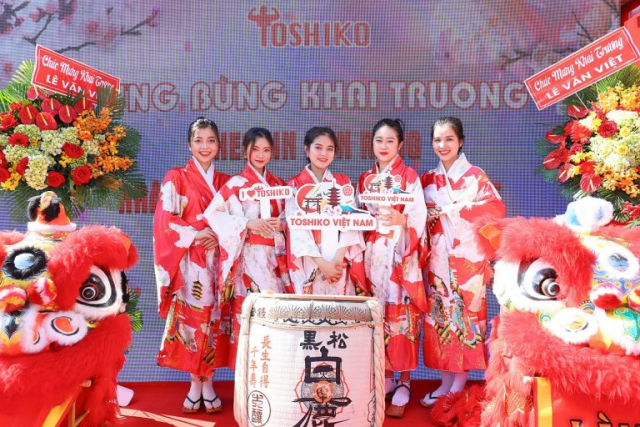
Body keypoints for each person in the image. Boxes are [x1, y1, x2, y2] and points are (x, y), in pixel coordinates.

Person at [420, 117, 505, 407]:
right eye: (437, 140)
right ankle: (445, 381)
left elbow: (495, 208)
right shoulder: (427, 179)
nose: (442, 145)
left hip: (467, 261)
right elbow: (416, 215)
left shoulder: (475, 176)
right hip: (437, 261)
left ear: (460, 142)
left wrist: (451, 209)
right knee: (440, 319)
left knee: (465, 319)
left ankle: (459, 382)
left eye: (449, 139)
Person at [154, 117, 230, 414]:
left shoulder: (226, 183)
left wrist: (219, 234)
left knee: (213, 320)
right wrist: (197, 234)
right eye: (199, 140)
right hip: (189, 262)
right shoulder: (176, 177)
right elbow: (165, 219)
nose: (205, 146)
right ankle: (194, 384)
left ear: (218, 145)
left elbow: (236, 221)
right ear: (189, 144)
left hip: (218, 261)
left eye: (211, 141)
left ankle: (207, 382)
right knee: (193, 322)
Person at [203, 127, 290, 369]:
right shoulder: (235, 184)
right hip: (249, 258)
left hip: (274, 260)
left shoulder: (279, 185)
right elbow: (213, 214)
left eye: (266, 150)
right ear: (245, 151)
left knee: (274, 312)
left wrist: (281, 224)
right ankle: (246, 375)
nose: (261, 155)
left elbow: (291, 218)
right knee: (249, 313)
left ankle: (272, 373)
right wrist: (248, 223)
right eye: (255, 149)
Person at [357, 119, 427, 418]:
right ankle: (385, 376)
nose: (383, 146)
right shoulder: (365, 179)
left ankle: (405, 380)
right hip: (374, 253)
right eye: (379, 140)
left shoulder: (408, 176)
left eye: (390, 141)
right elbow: (357, 216)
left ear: (400, 145)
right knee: (379, 314)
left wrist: (403, 220)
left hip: (399, 251)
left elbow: (419, 214)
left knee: (402, 314)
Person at [286, 126, 368, 296]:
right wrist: (322, 264)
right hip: (310, 261)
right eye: (318, 147)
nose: (324, 153)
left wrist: (338, 259)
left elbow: (351, 221)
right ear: (307, 150)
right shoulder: (295, 185)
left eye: (329, 149)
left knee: (339, 308)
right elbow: (296, 228)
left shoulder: (342, 182)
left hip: (340, 260)